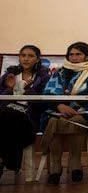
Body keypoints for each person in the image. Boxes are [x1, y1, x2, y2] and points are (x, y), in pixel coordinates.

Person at [41, 42, 88, 185]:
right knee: (54, 120)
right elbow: (49, 91)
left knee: (75, 120)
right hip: (59, 110)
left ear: (86, 56)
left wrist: (76, 105)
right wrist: (60, 105)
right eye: (71, 54)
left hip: (87, 112)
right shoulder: (61, 72)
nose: (74, 57)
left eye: (78, 54)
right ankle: (56, 164)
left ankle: (75, 162)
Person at [0, 45, 50, 179]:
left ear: (37, 59)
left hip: (30, 117)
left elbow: (45, 104)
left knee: (7, 116)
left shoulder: (44, 77)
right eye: (23, 55)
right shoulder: (10, 74)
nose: (26, 59)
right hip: (6, 113)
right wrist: (9, 89)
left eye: (30, 56)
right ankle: (9, 162)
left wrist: (29, 91)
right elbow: (1, 97)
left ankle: (6, 161)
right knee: (6, 116)